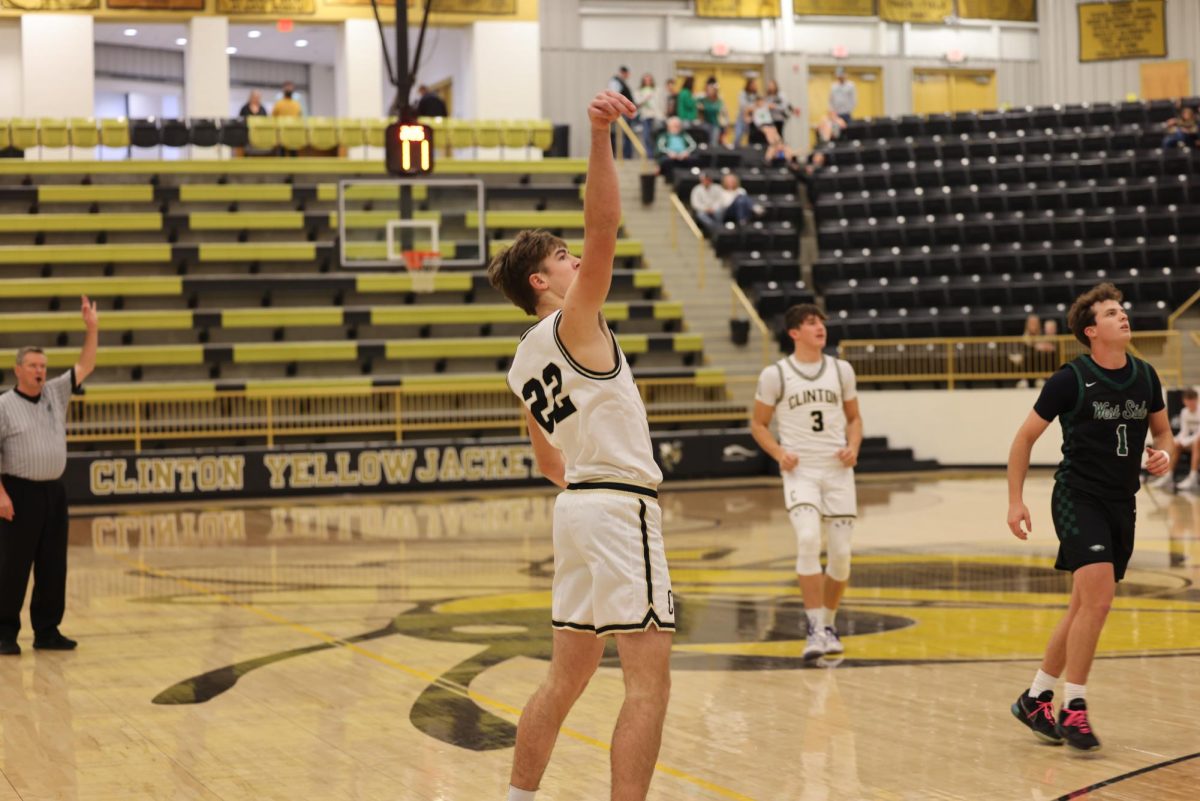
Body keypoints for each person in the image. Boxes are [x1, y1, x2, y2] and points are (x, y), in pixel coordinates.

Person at [487, 89, 674, 801]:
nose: (576, 264)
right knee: (648, 684)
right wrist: (600, 136)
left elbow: (546, 462)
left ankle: (518, 796)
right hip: (620, 506)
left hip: (577, 511)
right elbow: (606, 227)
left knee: (564, 677)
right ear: (542, 281)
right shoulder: (571, 324)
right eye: (562, 260)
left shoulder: (522, 360)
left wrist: (588, 497)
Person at [1006, 282, 1171, 752]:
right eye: (1113, 312)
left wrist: (1164, 456)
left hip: (1123, 500)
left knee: (1083, 606)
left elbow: (1164, 434)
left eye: (1123, 310)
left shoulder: (1145, 375)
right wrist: (1015, 501)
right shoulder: (1069, 379)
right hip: (1077, 496)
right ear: (1091, 329)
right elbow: (1023, 441)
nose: (1124, 316)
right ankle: (1073, 707)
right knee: (1097, 600)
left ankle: (1036, 696)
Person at [751, 304, 863, 661]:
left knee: (842, 556)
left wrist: (854, 446)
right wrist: (778, 452)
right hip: (802, 471)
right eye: (812, 323)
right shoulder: (776, 374)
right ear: (794, 333)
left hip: (838, 471)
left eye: (822, 323)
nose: (820, 328)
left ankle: (828, 624)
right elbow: (758, 424)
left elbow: (855, 417)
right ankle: (814, 627)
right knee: (809, 539)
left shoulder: (841, 369)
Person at [0, 296, 99, 657]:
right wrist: (1, 494)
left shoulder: (56, 394)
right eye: (33, 365)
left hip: (53, 493)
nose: (40, 370)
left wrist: (92, 329)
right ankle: (4, 632)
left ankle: (47, 630)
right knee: (13, 565)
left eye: (43, 365)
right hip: (17, 492)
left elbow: (85, 365)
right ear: (18, 370)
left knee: (53, 563)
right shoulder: (3, 406)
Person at [1151, 387, 1200, 491]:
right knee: (1176, 444)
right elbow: (1184, 432)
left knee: (1197, 441)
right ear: (1184, 401)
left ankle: (1193, 477)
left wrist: (1185, 441)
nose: (1191, 403)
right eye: (1188, 400)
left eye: (1193, 400)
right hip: (1192, 441)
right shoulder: (1184, 412)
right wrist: (1175, 440)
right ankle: (1168, 476)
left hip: (1197, 441)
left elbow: (1198, 434)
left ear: (1197, 399)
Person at [654, 117, 696, 181]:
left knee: (695, 159)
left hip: (684, 156)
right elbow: (660, 147)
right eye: (674, 126)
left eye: (678, 126)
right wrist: (669, 152)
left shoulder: (684, 135)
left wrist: (686, 152)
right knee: (665, 161)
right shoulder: (664, 136)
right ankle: (669, 180)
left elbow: (693, 145)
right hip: (670, 157)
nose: (677, 128)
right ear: (668, 127)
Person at [608, 66, 636, 159]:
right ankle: (622, 155)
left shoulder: (622, 82)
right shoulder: (616, 81)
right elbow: (614, 95)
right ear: (624, 73)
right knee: (621, 135)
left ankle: (626, 155)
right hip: (621, 113)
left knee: (626, 135)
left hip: (625, 112)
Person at [634, 73, 661, 160]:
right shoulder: (638, 91)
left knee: (656, 136)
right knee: (646, 136)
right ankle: (650, 156)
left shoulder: (656, 90)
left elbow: (659, 104)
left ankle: (657, 155)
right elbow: (637, 103)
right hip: (645, 116)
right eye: (646, 80)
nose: (648, 82)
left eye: (649, 80)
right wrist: (645, 98)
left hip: (655, 116)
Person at [698, 81, 728, 146]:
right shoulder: (703, 100)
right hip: (705, 123)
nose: (708, 92)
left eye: (710, 90)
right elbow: (696, 103)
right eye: (707, 90)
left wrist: (705, 108)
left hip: (716, 124)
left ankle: (713, 151)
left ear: (715, 91)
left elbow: (717, 109)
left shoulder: (719, 101)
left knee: (714, 140)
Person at [734, 77, 758, 148]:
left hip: (752, 119)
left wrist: (752, 108)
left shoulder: (756, 95)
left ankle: (751, 150)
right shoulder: (743, 93)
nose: (755, 86)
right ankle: (736, 149)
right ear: (749, 85)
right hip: (741, 118)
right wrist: (752, 107)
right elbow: (743, 106)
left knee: (751, 136)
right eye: (753, 85)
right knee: (738, 135)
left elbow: (759, 105)